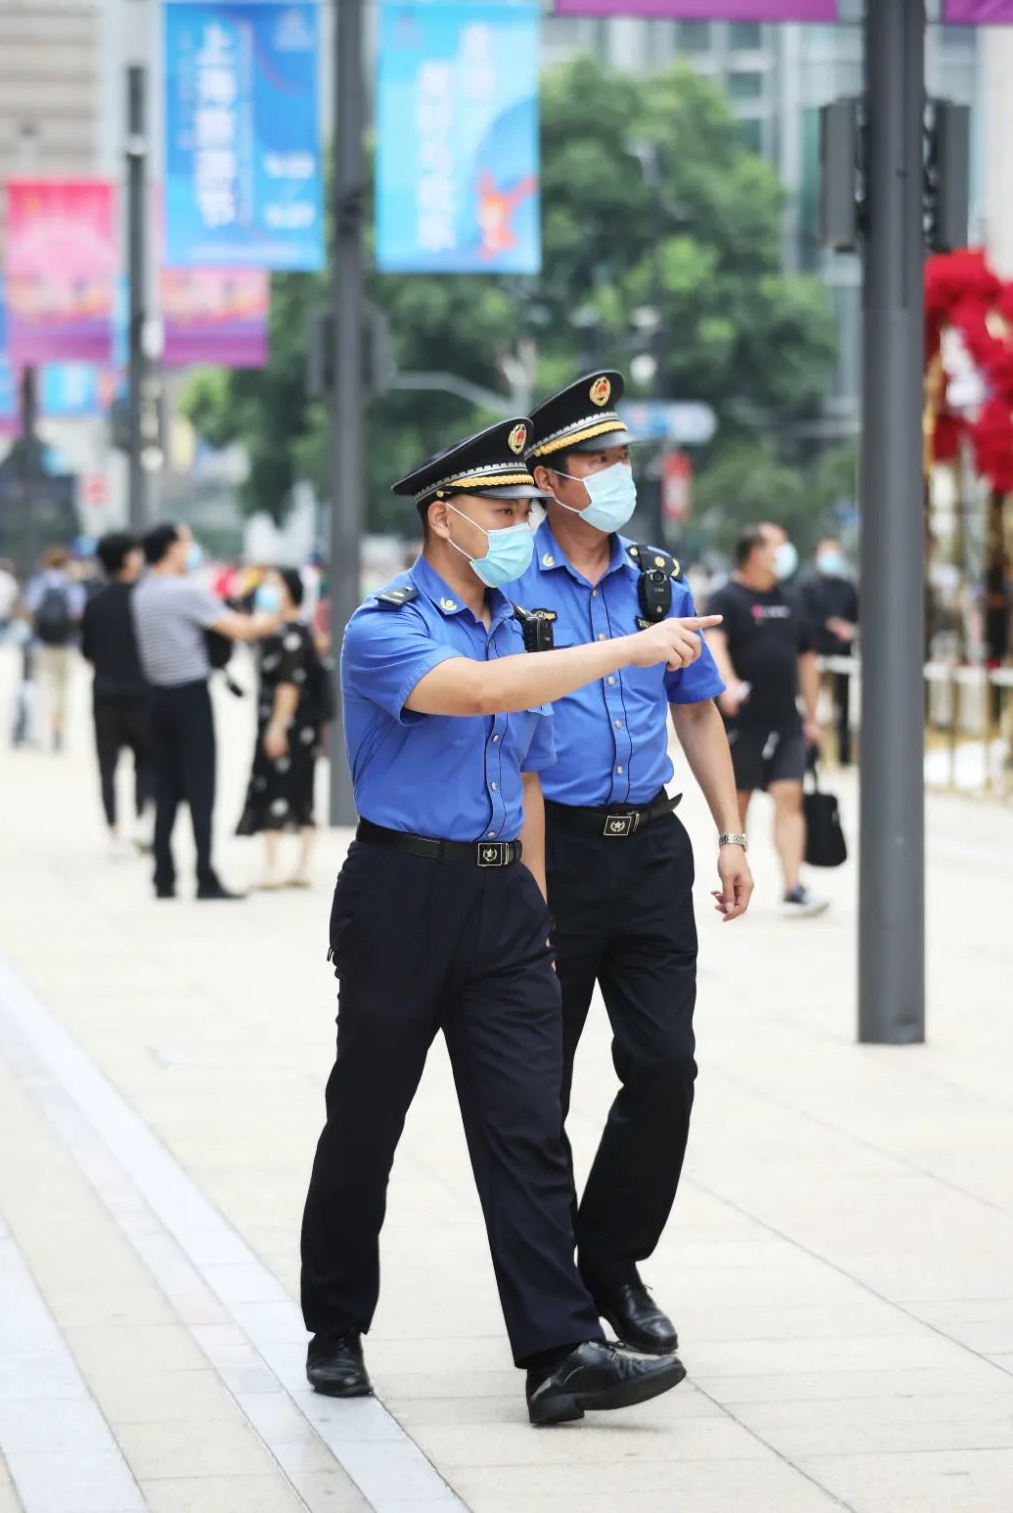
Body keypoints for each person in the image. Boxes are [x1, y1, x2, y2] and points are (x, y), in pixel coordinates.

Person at [300, 417, 719, 1425]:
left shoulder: (516, 624)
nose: (523, 528)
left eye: (530, 510)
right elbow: (482, 696)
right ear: (443, 517)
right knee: (369, 1116)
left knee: (528, 1128)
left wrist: (533, 901)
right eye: (505, 510)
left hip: (501, 903)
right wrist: (629, 644)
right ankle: (337, 1321)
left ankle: (559, 1348)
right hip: (402, 896)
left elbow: (527, 773)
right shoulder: (386, 624)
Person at [503, 371, 753, 1358]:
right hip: (548, 848)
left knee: (664, 1065)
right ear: (549, 478)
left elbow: (696, 705)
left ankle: (610, 1256)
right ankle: (552, 1292)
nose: (615, 476)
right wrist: (520, 880)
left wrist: (731, 833)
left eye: (620, 459)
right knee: (537, 1083)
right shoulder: (510, 579)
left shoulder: (660, 580)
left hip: (650, 845)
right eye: (595, 461)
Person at [133, 523, 280, 901]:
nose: (191, 548)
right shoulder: (185, 591)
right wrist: (277, 619)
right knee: (200, 787)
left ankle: (163, 875)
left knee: (165, 788)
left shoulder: (143, 592)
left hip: (156, 699)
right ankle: (204, 876)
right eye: (185, 542)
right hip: (190, 699)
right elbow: (240, 630)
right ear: (170, 549)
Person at [708, 524, 828, 918]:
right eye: (778, 545)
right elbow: (716, 644)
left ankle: (793, 886)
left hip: (785, 721)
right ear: (755, 552)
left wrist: (812, 716)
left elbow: (807, 659)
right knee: (737, 803)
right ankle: (734, 878)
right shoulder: (726, 597)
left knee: (790, 795)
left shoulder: (791, 601)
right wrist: (728, 685)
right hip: (743, 721)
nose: (785, 552)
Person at [236, 567, 323, 889]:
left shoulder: (289, 636)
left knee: (277, 787)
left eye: (275, 584)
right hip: (300, 726)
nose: (268, 589)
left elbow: (289, 686)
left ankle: (275, 867)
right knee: (301, 789)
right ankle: (300, 866)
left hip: (286, 723)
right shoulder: (295, 631)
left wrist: (276, 728)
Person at [80, 531, 154, 855]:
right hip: (142, 692)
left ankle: (112, 831)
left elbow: (87, 650)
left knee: (107, 765)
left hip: (105, 692)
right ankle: (141, 822)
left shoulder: (94, 602)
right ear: (127, 558)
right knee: (146, 761)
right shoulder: (144, 598)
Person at [800, 537, 858, 765]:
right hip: (814, 653)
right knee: (811, 703)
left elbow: (855, 616)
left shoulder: (848, 588)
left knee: (842, 706)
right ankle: (812, 754)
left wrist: (848, 629)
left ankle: (844, 753)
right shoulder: (808, 587)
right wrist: (829, 624)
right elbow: (804, 617)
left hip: (842, 653)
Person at [22, 546, 86, 752]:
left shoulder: (38, 584)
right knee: (63, 690)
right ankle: (59, 728)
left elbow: (29, 611)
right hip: (66, 644)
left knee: (45, 688)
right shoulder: (72, 587)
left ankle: (45, 731)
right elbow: (78, 614)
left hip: (42, 644)